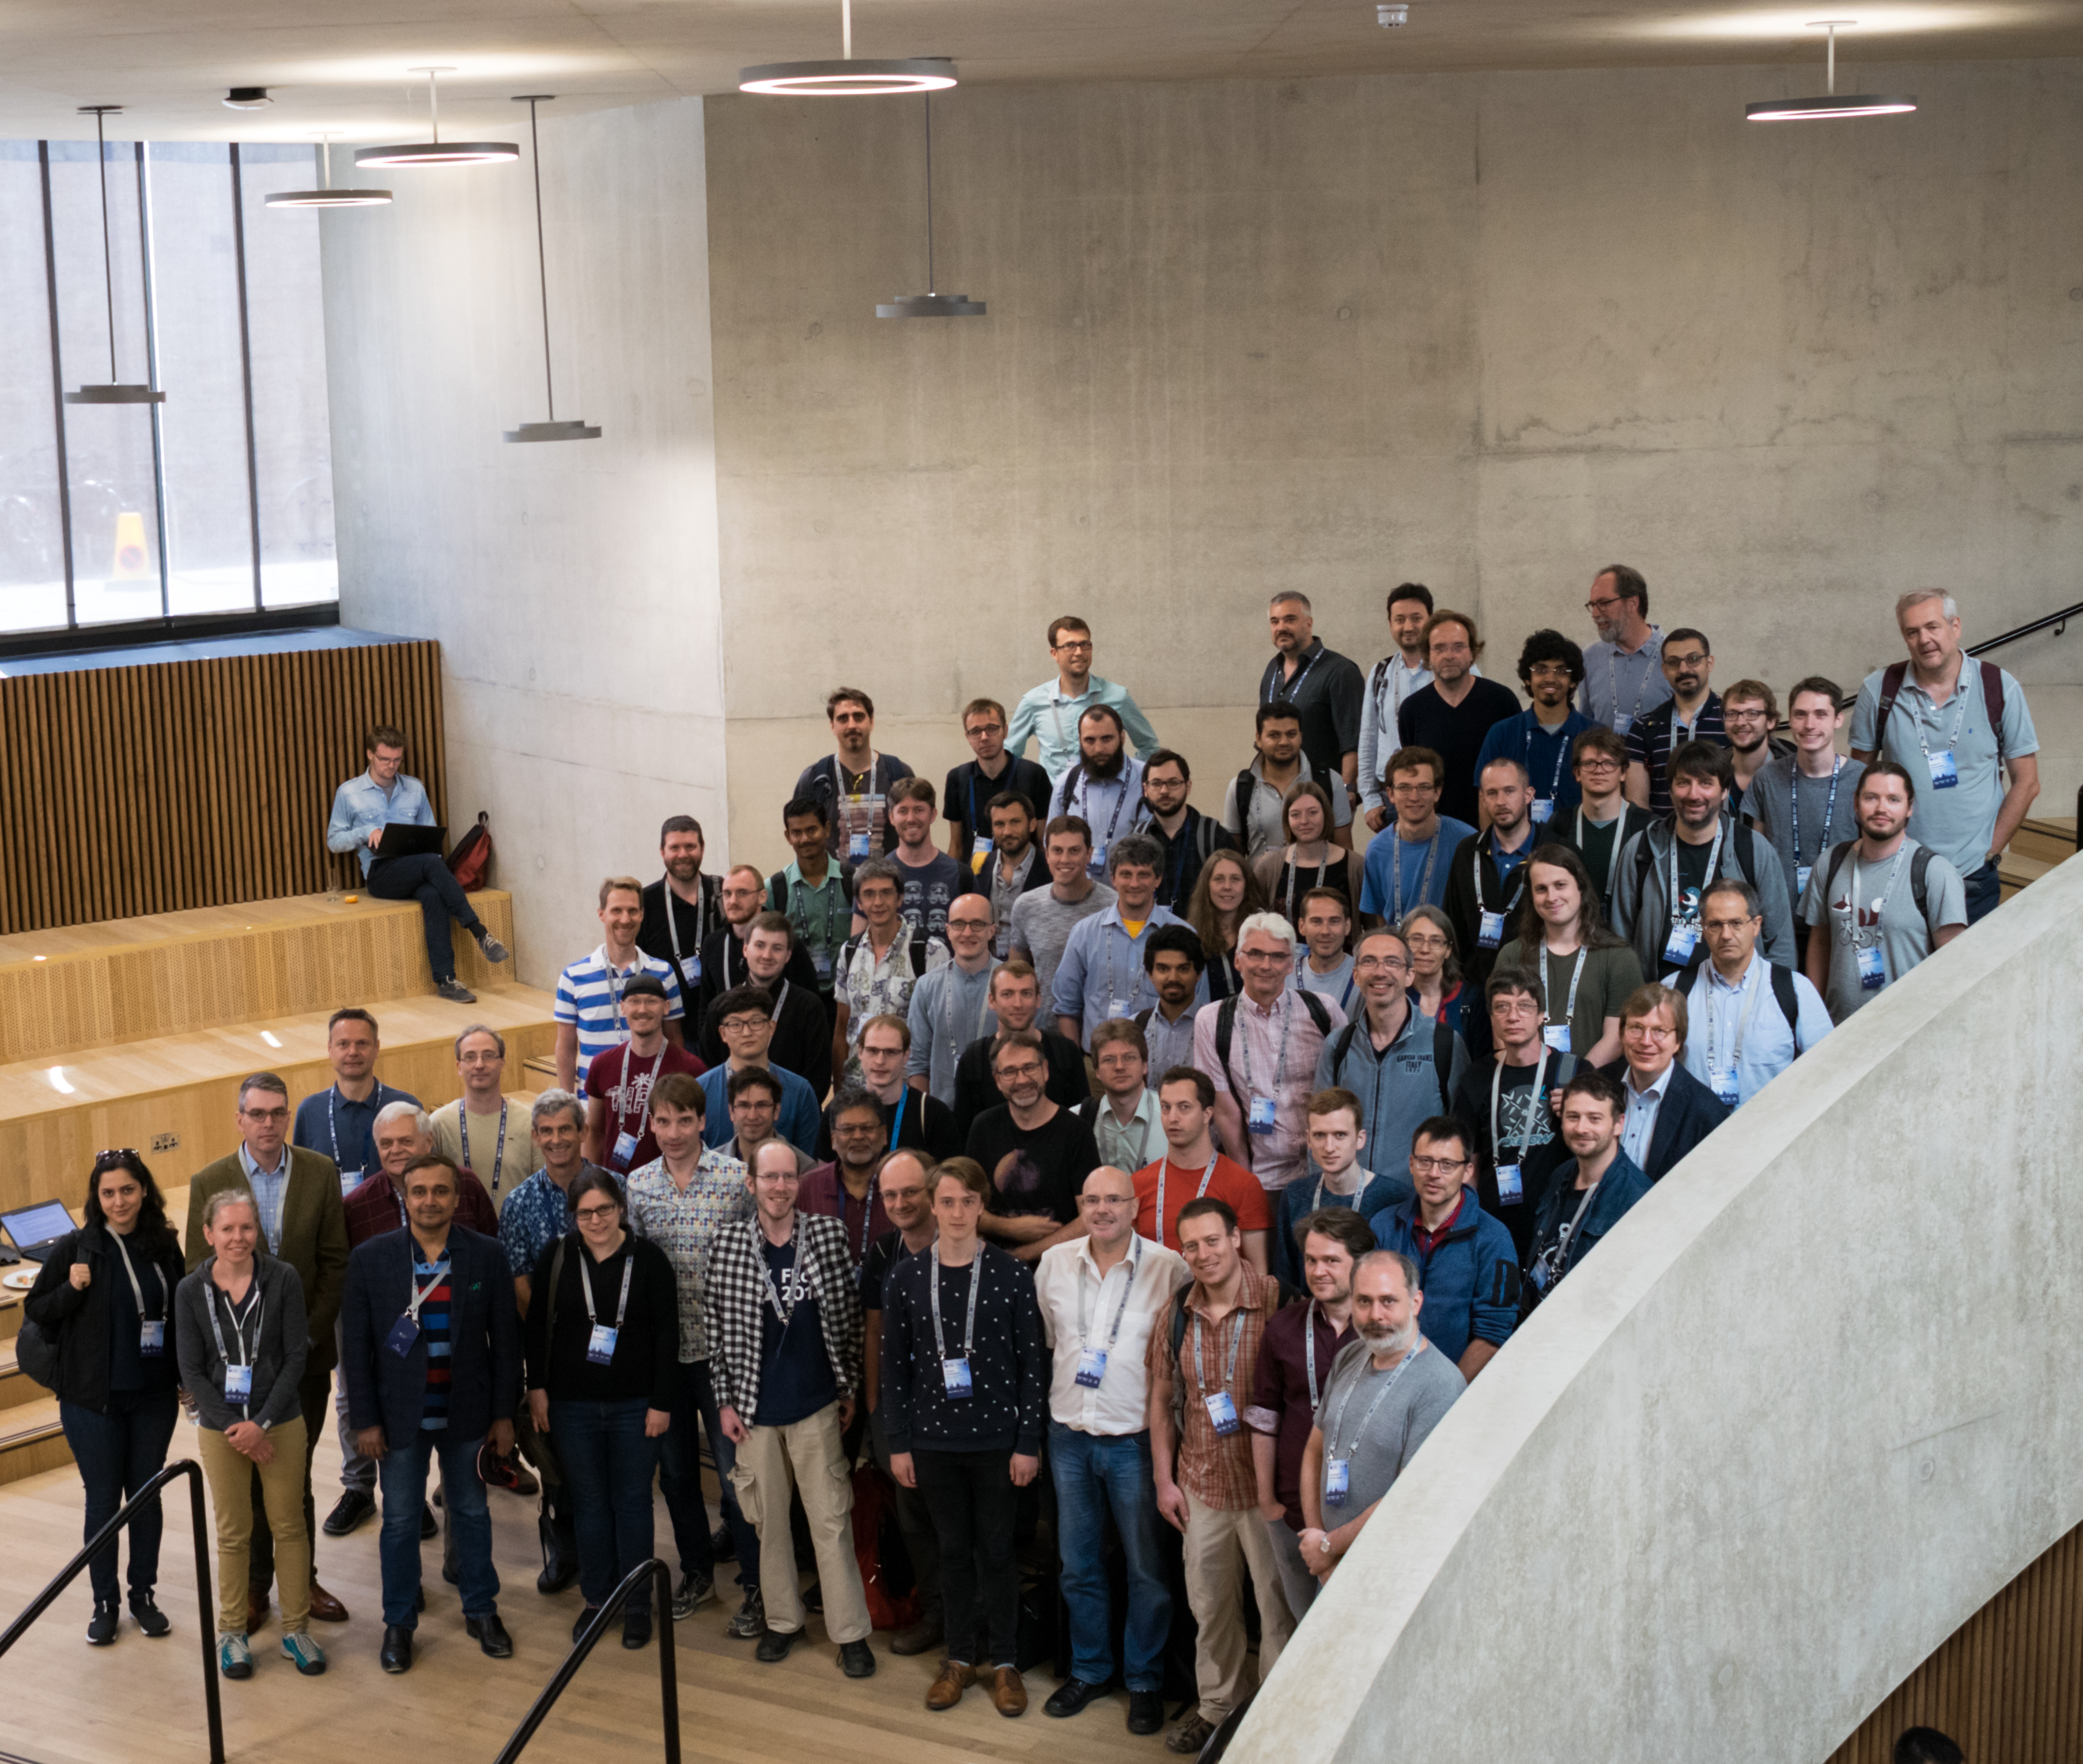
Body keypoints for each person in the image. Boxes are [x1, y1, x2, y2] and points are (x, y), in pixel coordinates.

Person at [881, 1158, 1048, 1716]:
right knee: (951, 1550)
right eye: (947, 1201)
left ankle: (1004, 1661)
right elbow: (894, 1369)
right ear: (933, 1204)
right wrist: (898, 1441)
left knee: (998, 1552)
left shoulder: (1010, 1273)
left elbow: (1033, 1367)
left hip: (998, 1441)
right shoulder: (906, 1276)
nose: (956, 1212)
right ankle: (957, 1656)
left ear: (982, 1206)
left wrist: (1029, 1441)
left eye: (967, 1202)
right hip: (933, 1443)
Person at [184, 1073, 350, 1632]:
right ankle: (255, 1587)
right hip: (231, 1371)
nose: (269, 1123)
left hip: (302, 1357)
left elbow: (334, 1264)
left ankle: (300, 1581)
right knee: (244, 1482)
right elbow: (195, 1275)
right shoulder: (210, 1180)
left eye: (278, 1112)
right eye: (257, 1113)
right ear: (240, 1118)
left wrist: (298, 1343)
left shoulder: (319, 1171)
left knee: (292, 1475)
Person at [341, 1153, 518, 1672]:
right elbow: (357, 1351)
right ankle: (398, 1623)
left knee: (471, 1513)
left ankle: (482, 1610)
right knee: (398, 1522)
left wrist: (504, 1414)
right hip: (398, 1421)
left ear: (457, 1199)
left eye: (441, 1192)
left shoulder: (486, 1256)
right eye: (419, 1192)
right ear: (404, 1196)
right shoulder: (371, 1260)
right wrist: (365, 1422)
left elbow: (506, 1342)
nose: (429, 1201)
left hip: (468, 1413)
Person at [705, 1141, 875, 1676]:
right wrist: (724, 1403)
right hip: (754, 1413)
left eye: (787, 1177)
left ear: (797, 1183)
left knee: (830, 1522)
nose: (779, 1187)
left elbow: (848, 1317)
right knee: (768, 1525)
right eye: (768, 1178)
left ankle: (849, 1633)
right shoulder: (728, 1244)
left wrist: (846, 1386)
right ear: (750, 1183)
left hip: (816, 1406)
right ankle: (783, 1622)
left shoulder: (825, 1235)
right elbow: (715, 1331)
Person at [1033, 1167, 1189, 1733]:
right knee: (1078, 1564)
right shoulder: (1054, 1263)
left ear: (1134, 1205)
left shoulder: (1170, 1267)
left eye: (1114, 1199)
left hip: (1135, 1442)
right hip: (1068, 1437)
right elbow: (1053, 1342)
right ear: (1081, 1203)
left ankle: (1144, 1678)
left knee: (1148, 1570)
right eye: (1092, 1198)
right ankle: (1092, 1668)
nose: (1103, 1209)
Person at [1147, 1196, 1290, 1755]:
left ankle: (1274, 1715)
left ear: (1236, 1237)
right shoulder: (1176, 1309)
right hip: (1200, 1484)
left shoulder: (1278, 1300)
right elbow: (1160, 1400)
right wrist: (1164, 1479)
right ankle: (1217, 1709)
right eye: (1192, 1244)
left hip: (1265, 1493)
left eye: (1213, 1239)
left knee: (1276, 1609)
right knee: (1210, 1609)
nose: (1203, 1253)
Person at [27, 1150, 186, 1645]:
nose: (120, 1201)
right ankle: (105, 1603)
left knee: (145, 1498)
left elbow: (180, 1313)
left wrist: (185, 1376)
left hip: (153, 1395)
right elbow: (37, 1309)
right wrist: (71, 1291)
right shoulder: (78, 1248)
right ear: (97, 1199)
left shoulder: (164, 1244)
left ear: (144, 1192)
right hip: (92, 1400)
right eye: (108, 1193)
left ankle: (143, 1596)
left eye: (128, 1190)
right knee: (102, 1500)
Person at [625, 1073, 760, 1631]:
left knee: (738, 1475)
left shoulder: (734, 1179)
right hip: (665, 1357)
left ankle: (756, 1584)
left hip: (724, 1354)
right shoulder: (637, 1186)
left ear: (705, 1121)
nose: (674, 1131)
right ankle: (698, 1572)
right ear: (650, 1123)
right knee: (677, 1474)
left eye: (685, 1119)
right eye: (663, 1120)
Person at [524, 1168, 678, 1647]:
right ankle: (597, 1599)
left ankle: (635, 1603)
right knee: (589, 1504)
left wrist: (661, 1402)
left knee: (631, 1504)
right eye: (585, 1212)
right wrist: (538, 1388)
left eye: (604, 1210)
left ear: (621, 1209)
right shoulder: (557, 1256)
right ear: (574, 1216)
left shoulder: (649, 1260)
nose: (595, 1220)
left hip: (637, 1407)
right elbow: (535, 1328)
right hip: (572, 1407)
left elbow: (668, 1336)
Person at [176, 1189, 326, 1680]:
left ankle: (297, 1630)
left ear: (256, 1231)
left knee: (289, 1525)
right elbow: (192, 1371)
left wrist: (259, 1423)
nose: (238, 1238)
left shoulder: (282, 1279)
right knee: (233, 1532)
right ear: (208, 1235)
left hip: (279, 1421)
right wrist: (235, 1428)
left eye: (246, 1228)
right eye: (227, 1229)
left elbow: (294, 1359)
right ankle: (232, 1634)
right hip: (222, 1431)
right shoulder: (190, 1291)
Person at [332, 1104, 497, 1536]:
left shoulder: (468, 1189)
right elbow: (356, 1332)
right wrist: (365, 1418)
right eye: (386, 1143)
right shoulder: (356, 1206)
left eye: (406, 1141)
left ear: (428, 1143)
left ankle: (469, 1586)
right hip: (398, 1386)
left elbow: (492, 1273)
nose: (396, 1151)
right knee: (402, 1513)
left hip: (461, 1379)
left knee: (468, 1507)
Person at [1850, 589, 2040, 926]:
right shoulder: (1879, 689)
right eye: (1912, 632)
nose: (1924, 639)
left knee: (1968, 977)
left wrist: (1989, 852)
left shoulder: (1999, 687)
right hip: (1898, 869)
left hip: (1972, 875)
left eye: (1933, 627)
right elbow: (1858, 777)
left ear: (1956, 626)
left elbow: (2027, 782)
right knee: (1903, 979)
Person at [1294, 1250, 1464, 1590]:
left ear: (1416, 1302)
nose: (1375, 1315)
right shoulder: (1351, 1355)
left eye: (1389, 1301)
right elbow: (1315, 1450)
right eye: (1364, 1301)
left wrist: (1330, 1547)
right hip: (1330, 1562)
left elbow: (1409, 1498)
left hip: (1390, 1575)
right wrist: (1318, 1541)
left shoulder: (1441, 1384)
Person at [496, 1090, 606, 1595]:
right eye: (547, 1131)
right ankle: (565, 1552)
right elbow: (520, 1283)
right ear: (535, 1137)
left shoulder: (613, 1190)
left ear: (582, 1132)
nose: (557, 1139)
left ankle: (612, 1555)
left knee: (606, 1462)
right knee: (556, 1460)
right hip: (551, 1357)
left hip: (610, 1358)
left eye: (566, 1129)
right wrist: (558, 1344)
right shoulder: (518, 1203)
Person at [1247, 1207, 1371, 1620]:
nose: (1318, 1271)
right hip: (1291, 1515)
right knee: (1304, 1628)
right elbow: (1264, 1417)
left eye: (1331, 1260)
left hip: (1359, 1519)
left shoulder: (1383, 1332)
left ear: (1360, 1263)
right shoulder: (1283, 1327)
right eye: (1311, 1260)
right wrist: (1268, 1503)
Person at [326, 724, 508, 1004]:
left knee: (434, 894)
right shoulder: (349, 793)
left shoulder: (414, 788)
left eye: (397, 760)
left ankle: (446, 980)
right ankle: (480, 933)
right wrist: (366, 832)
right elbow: (334, 841)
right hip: (381, 873)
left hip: (419, 867)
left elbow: (429, 833)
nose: (391, 766)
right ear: (370, 755)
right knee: (432, 866)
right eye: (385, 759)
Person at [856, 1150, 946, 1659]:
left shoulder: (964, 1249)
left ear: (932, 1192)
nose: (899, 1203)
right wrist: (875, 1406)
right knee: (913, 1518)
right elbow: (874, 1331)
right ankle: (934, 1614)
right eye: (889, 1194)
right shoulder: (883, 1253)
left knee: (958, 1519)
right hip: (899, 1412)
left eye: (909, 1191)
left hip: (956, 1414)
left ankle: (972, 1621)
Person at [1612, 741, 1796, 986]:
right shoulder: (1641, 849)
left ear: (1724, 792)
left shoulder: (1752, 849)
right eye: (1683, 783)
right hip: (1660, 1005)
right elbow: (1620, 941)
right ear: (1670, 791)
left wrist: (1770, 1003)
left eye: (1706, 783)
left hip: (1736, 1002)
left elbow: (1780, 942)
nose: (1694, 794)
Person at [1801, 761, 1968, 1023]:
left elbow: (1955, 967)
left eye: (1893, 799)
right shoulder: (1831, 862)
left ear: (1910, 807)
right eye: (1871, 798)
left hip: (1905, 1035)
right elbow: (1820, 942)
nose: (1882, 808)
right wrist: (1813, 1016)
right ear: (1856, 803)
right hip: (1838, 1032)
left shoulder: (1935, 873)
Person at [1194, 911, 1347, 1193]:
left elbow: (1347, 1089)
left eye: (1278, 956)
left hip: (1324, 1172)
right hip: (1262, 1177)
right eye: (1255, 954)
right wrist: (1247, 1184)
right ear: (1238, 960)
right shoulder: (1212, 1020)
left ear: (1291, 964)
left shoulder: (1323, 1010)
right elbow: (1226, 1112)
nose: (1266, 965)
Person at [1313, 927, 1466, 1187]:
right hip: (1349, 1204)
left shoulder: (1444, 1044)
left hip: (1415, 1205)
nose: (1380, 972)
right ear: (1357, 975)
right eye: (1369, 961)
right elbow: (1319, 1128)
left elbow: (1461, 1134)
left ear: (1409, 975)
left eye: (1392, 962)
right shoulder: (1338, 1045)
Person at [1367, 1119, 1518, 1378]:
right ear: (1411, 1164)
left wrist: (1446, 1395)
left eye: (1447, 1165)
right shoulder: (1382, 1226)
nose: (1434, 1174)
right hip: (1385, 1377)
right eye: (1425, 1161)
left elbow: (1493, 1334)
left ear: (1468, 1171)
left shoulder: (1494, 1239)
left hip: (1455, 1389)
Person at [1450, 967, 1578, 1262]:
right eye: (1502, 1007)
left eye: (1524, 1007)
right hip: (1494, 1225)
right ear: (1492, 1016)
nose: (1513, 1016)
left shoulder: (1573, 1073)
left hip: (1557, 1220)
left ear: (1542, 1015)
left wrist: (1576, 1113)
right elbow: (1468, 1161)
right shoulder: (1478, 1076)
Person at [1743, 676, 1865, 966]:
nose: (1810, 725)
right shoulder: (1767, 778)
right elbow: (1756, 854)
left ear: (1838, 720)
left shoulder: (1863, 780)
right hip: (1779, 924)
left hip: (1840, 922)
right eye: (1801, 714)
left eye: (1820, 714)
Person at [1679, 879, 1835, 1105]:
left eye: (1736, 923)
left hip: (1772, 1132)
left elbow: (1827, 1069)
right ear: (1703, 928)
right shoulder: (1675, 990)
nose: (1726, 935)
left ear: (1756, 925)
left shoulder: (1795, 990)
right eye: (1715, 925)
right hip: (1698, 1136)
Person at [1495, 845, 1643, 1066]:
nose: (1552, 897)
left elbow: (1616, 1039)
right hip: (1527, 1086)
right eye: (1541, 889)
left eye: (1560, 885)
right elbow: (1501, 1038)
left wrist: (1573, 1082)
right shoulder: (1511, 956)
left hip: (1593, 1088)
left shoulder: (1619, 957)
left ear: (1580, 888)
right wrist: (1536, 1082)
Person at [968, 1028, 1102, 1262]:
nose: (1022, 1080)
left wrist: (1021, 1255)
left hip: (1061, 1269)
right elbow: (965, 1206)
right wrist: (1009, 1228)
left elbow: (1090, 1217)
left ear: (1045, 1070)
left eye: (1029, 1068)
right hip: (993, 1268)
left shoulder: (1076, 1131)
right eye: (1010, 1072)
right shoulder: (983, 1127)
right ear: (997, 1080)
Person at [1268, 1088, 1411, 1296]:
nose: (1329, 1147)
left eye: (1340, 1135)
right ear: (1308, 1140)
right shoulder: (1295, 1194)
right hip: (1312, 1318)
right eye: (1319, 1136)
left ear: (1360, 1139)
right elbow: (1285, 1277)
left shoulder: (1397, 1197)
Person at [1053, 834, 1193, 1046]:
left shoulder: (1184, 936)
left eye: (1143, 875)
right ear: (1113, 879)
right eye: (1126, 874)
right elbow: (1066, 1007)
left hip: (1163, 1062)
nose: (1134, 883)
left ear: (1158, 879)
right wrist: (1076, 1066)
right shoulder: (1085, 933)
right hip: (1096, 1065)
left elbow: (1197, 1009)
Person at [553, 878, 687, 1097]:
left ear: (642, 914)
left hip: (651, 1103)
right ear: (601, 914)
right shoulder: (573, 977)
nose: (625, 919)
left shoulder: (663, 973)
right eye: (617, 910)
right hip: (593, 1103)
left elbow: (674, 1040)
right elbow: (566, 1048)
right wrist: (568, 1102)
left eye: (633, 911)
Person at [1526, 1070, 1652, 1301]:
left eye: (1595, 1119)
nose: (1582, 1128)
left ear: (1618, 1124)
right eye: (1573, 1117)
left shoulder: (1638, 1198)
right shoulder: (1560, 1175)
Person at [1133, 1067, 1272, 1267]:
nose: (1172, 1118)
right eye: (1166, 1107)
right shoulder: (1139, 1183)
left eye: (1184, 1107)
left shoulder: (1244, 1185)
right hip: (1154, 1294)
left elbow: (1259, 1274)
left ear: (1207, 1114)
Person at [1396, 611, 1522, 830]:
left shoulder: (1502, 702)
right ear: (1427, 655)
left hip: (1494, 830)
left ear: (1472, 652)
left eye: (1458, 647)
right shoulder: (1412, 710)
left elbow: (1519, 771)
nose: (1449, 655)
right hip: (1435, 832)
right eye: (1439, 648)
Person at [831, 858, 951, 1080]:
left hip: (907, 1085)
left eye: (886, 893)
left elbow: (943, 1032)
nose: (878, 902)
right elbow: (841, 1028)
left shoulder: (929, 952)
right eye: (869, 894)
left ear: (900, 898)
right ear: (859, 902)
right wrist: (839, 1088)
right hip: (858, 1086)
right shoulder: (848, 951)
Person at [950, 962, 1090, 1145]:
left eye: (1026, 994)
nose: (1018, 1004)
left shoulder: (1065, 1052)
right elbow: (963, 1137)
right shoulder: (973, 1059)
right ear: (992, 1001)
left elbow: (1084, 1126)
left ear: (1038, 999)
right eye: (1008, 994)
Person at [1008, 616, 1162, 782]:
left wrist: (1131, 778)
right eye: (1070, 646)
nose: (1079, 652)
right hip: (1056, 804)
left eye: (1085, 644)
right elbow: (1009, 754)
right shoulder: (1034, 702)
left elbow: (1149, 747)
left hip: (1108, 799)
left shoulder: (1117, 697)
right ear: (1054, 653)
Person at [1604, 984, 1729, 1183]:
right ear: (1622, 1033)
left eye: (1659, 1031)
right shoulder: (1600, 1084)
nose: (1646, 1041)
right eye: (1636, 1028)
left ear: (1678, 1041)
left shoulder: (1705, 1112)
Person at [585, 974, 707, 1176]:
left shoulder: (691, 1069)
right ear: (622, 1007)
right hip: (614, 1186)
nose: (642, 1010)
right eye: (634, 1002)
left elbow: (701, 1135)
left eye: (651, 1001)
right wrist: (590, 1179)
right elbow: (595, 1131)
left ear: (667, 1007)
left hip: (669, 1185)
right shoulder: (602, 1064)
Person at [699, 910, 830, 1096]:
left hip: (789, 1114)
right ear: (745, 949)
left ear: (788, 955)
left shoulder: (809, 1008)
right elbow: (709, 1068)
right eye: (760, 946)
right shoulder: (720, 1007)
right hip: (731, 1112)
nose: (767, 955)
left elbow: (818, 1078)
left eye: (777, 948)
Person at [291, 1009, 419, 1199]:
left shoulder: (406, 1106)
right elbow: (301, 1183)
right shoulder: (310, 1111)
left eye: (362, 1044)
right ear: (330, 1049)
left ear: (377, 1047)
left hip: (393, 1225)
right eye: (343, 1044)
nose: (353, 1052)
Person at [1474, 630, 1596, 827]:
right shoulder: (1502, 733)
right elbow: (1485, 799)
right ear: (1528, 678)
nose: (1550, 678)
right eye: (1541, 670)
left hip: (1576, 850)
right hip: (1516, 849)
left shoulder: (1595, 735)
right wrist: (1494, 853)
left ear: (1574, 680)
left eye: (1561, 671)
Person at [1441, 756, 1541, 996]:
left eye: (1509, 791)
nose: (1501, 802)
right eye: (1492, 793)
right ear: (1482, 799)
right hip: (1477, 989)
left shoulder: (1554, 851)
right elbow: (1454, 922)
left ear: (1528, 795)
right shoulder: (1466, 851)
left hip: (1538, 987)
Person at [793, 686, 914, 862]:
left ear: (871, 722)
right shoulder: (814, 779)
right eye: (843, 719)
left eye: (858, 717)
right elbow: (800, 840)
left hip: (888, 884)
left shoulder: (899, 773)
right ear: (832, 726)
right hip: (833, 886)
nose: (851, 725)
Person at [1008, 815, 1117, 1008]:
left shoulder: (1114, 906)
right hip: (1044, 1028)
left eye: (1074, 851)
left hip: (1100, 1028)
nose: (1065, 860)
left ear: (1089, 854)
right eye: (1057, 851)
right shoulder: (1026, 905)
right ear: (1047, 854)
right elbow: (1016, 975)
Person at [1260, 590, 1366, 790]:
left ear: (1309, 623)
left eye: (1290, 620)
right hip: (1275, 793)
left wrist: (1346, 791)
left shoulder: (1341, 671)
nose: (1281, 627)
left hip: (1322, 796)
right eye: (1275, 622)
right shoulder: (1271, 670)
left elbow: (1353, 742)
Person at [1222, 703, 1356, 861]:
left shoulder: (1330, 781)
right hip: (1259, 884)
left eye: (1291, 734)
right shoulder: (1240, 787)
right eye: (1274, 735)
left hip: (1317, 883)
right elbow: (1233, 856)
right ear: (1258, 739)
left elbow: (1345, 851)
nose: (1284, 742)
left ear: (1301, 736)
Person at [696, 985, 819, 1154]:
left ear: (771, 1028)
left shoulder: (800, 1091)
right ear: (723, 1033)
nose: (747, 1032)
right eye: (736, 1024)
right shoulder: (701, 1090)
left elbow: (807, 1165)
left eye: (755, 1022)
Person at [1358, 747, 1475, 925]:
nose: (1414, 797)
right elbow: (1379, 918)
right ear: (1391, 794)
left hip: (1448, 949)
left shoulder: (1467, 841)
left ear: (1437, 792)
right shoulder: (1377, 849)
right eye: (1404, 788)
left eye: (1424, 787)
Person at [1358, 581, 1438, 833]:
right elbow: (1368, 738)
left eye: (1417, 618)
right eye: (1400, 619)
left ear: (1431, 620)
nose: (1408, 627)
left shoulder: (1451, 669)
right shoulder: (1381, 672)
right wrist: (1370, 799)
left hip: (1437, 795)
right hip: (1390, 798)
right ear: (1390, 623)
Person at [905, 894, 1000, 1106]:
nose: (967, 933)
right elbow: (918, 1064)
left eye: (977, 924)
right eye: (959, 924)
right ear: (948, 930)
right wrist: (925, 1117)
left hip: (1002, 1114)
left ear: (992, 930)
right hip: (944, 1114)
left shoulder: (1013, 985)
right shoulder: (927, 987)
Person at [1624, 629, 1726, 815]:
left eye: (1693, 659)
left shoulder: (1731, 720)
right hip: (1662, 840)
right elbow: (1638, 806)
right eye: (1673, 663)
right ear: (1664, 670)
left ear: (1709, 663)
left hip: (1720, 838)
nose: (1684, 669)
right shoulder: (1643, 729)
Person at [768, 797, 856, 1014]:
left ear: (827, 829)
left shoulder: (852, 881)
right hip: (796, 1001)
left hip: (847, 1000)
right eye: (797, 832)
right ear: (788, 837)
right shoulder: (775, 888)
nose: (805, 838)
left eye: (812, 830)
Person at [944, 696, 1052, 869]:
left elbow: (1043, 841)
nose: (984, 737)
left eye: (992, 729)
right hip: (975, 876)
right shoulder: (958, 778)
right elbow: (956, 845)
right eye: (976, 731)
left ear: (1006, 730)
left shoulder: (1033, 774)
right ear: (967, 736)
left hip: (1025, 876)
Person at [431, 1025, 531, 1211]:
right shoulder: (438, 1124)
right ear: (459, 1067)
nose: (479, 1065)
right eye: (470, 1057)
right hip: (460, 1233)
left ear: (503, 1063)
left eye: (488, 1056)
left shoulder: (530, 1122)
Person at [1563, 726, 1657, 913]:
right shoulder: (1560, 825)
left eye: (1609, 763)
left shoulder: (1647, 828)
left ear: (1623, 773)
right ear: (1577, 773)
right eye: (1589, 763)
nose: (1599, 770)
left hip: (1628, 934)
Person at [1046, 705, 1148, 877]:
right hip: (1079, 896)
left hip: (1131, 893)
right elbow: (1050, 842)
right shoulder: (1066, 783)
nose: (1099, 749)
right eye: (1090, 740)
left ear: (1122, 738)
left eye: (1107, 739)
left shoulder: (1146, 780)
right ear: (1080, 740)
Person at [800, 1088, 895, 1266]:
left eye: (867, 1128)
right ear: (833, 1140)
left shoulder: (901, 1187)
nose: (858, 1136)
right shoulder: (807, 1187)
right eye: (848, 1129)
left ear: (884, 1135)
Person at [1253, 786, 1364, 933]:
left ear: (1326, 814)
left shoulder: (1356, 866)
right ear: (1287, 819)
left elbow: (1372, 927)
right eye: (1295, 815)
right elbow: (1255, 922)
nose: (1304, 821)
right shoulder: (1269, 867)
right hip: (1285, 954)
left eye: (1313, 813)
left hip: (1342, 955)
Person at [1577, 564, 1670, 737]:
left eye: (1603, 603)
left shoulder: (1673, 655)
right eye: (1592, 605)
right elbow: (1585, 725)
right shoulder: (1589, 658)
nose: (1595, 614)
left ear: (1632, 603)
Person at [637, 814, 723, 1002]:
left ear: (702, 848)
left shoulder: (725, 894)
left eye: (690, 846)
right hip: (667, 1018)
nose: (683, 854)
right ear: (662, 851)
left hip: (720, 1014)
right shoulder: (643, 903)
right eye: (674, 847)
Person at [854, 1015, 963, 1161]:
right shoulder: (840, 1112)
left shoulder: (934, 1115)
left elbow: (951, 1179)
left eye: (891, 1052)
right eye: (873, 1051)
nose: (880, 1061)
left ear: (906, 1056)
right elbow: (824, 1178)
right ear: (860, 1052)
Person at [1139, 748, 1236, 911]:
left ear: (1188, 786)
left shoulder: (1214, 837)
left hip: (1202, 934)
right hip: (1152, 934)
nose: (1164, 791)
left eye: (1173, 783)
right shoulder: (1137, 839)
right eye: (1156, 783)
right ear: (1145, 790)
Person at [1075, 1019, 1163, 1174]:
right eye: (1109, 1060)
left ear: (1145, 1065)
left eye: (1129, 1057)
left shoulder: (1169, 1117)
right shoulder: (1075, 1120)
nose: (1119, 1067)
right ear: (1097, 1071)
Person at [884, 776, 966, 938]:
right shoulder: (876, 876)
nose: (911, 819)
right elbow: (860, 945)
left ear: (933, 815)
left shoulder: (962, 876)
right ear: (892, 817)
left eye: (919, 810)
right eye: (903, 811)